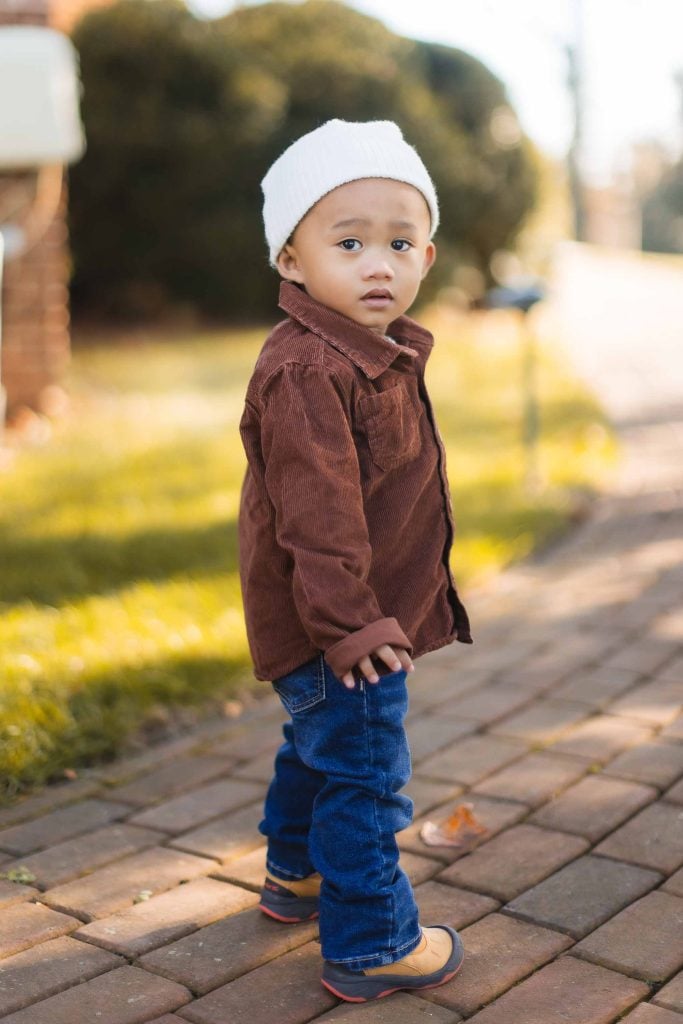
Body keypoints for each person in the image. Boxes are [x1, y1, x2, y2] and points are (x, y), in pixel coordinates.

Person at [237, 118, 473, 1002]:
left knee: (318, 748)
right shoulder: (309, 371)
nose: (379, 263)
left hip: (343, 617)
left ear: (428, 255)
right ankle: (372, 940)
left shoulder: (373, 354)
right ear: (291, 260)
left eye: (399, 242)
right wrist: (354, 626)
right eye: (349, 243)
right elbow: (317, 519)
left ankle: (293, 875)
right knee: (365, 777)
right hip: (341, 623)